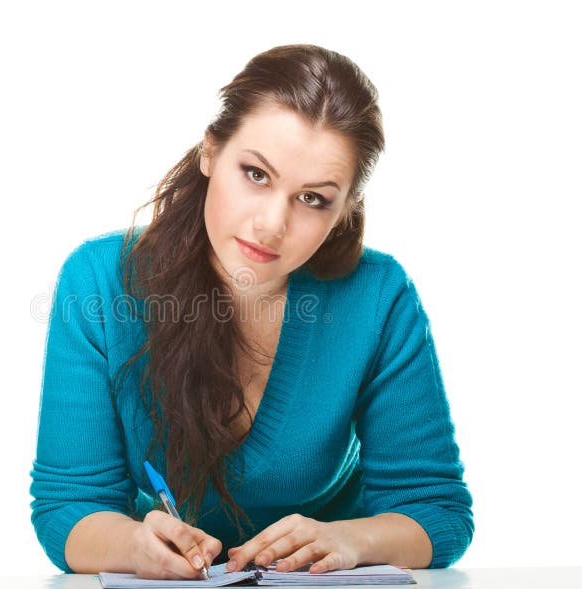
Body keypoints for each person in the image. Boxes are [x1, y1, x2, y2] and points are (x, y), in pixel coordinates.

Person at [29, 43, 473, 579]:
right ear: (210, 151)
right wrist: (133, 546)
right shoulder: (99, 281)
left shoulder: (378, 296)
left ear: (344, 212)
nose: (271, 224)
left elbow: (439, 511)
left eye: (313, 199)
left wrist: (349, 540)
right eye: (256, 175)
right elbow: (67, 506)